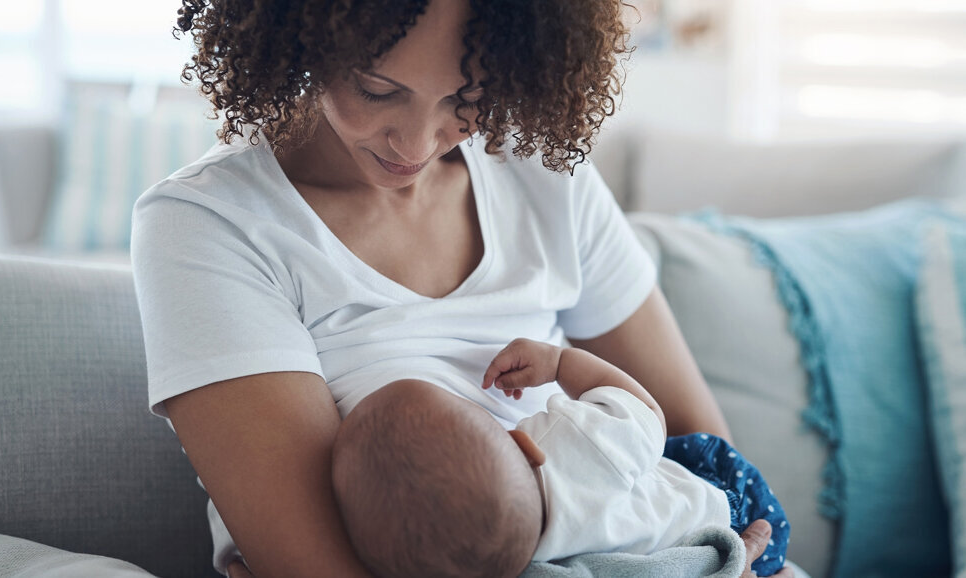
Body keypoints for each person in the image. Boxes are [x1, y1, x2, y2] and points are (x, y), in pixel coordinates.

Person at [130, 0, 794, 576]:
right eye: (375, 87)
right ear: (300, 33)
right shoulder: (209, 224)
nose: (416, 141)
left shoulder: (543, 177)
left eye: (466, 99)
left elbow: (707, 462)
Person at [331, 338, 789, 578]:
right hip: (731, 508)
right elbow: (648, 414)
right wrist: (560, 363)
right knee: (678, 453)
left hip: (703, 557)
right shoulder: (567, 441)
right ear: (526, 446)